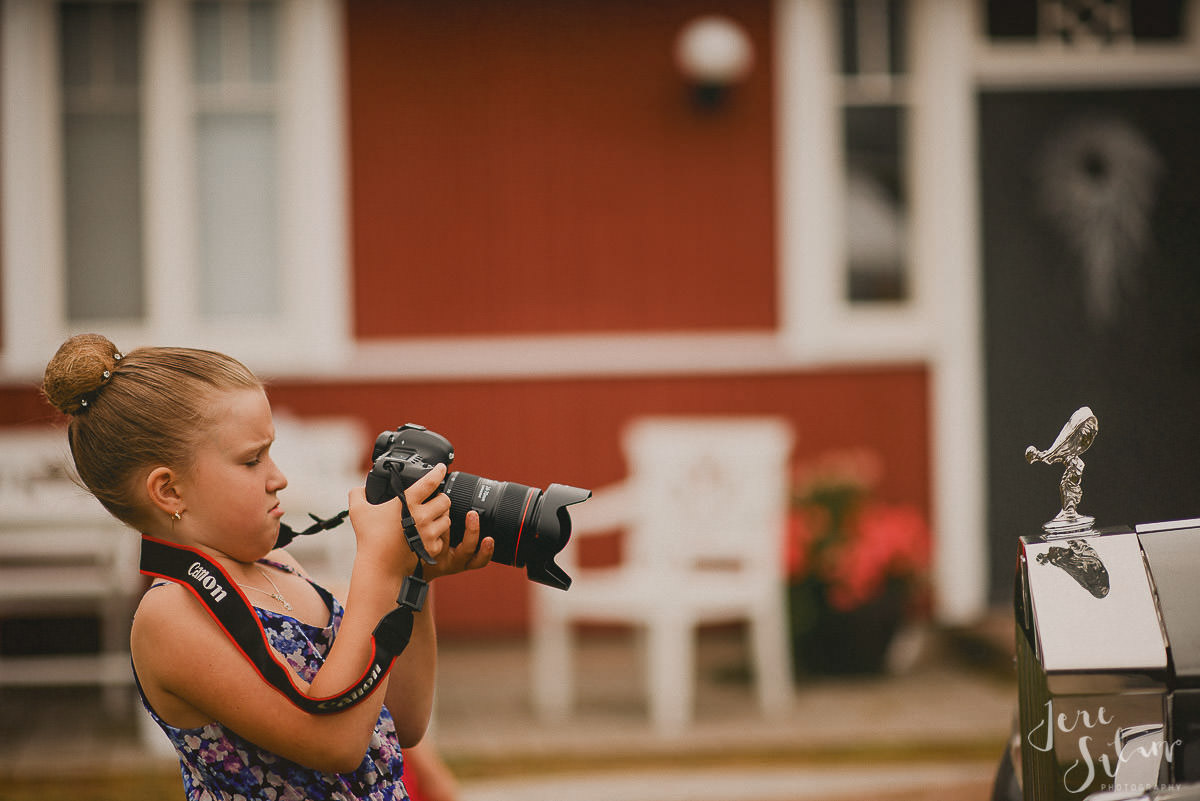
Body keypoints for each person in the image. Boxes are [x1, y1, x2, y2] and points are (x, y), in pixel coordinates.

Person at [41, 333, 492, 801]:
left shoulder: (279, 565)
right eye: (253, 459)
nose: (279, 477)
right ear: (169, 491)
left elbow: (401, 721)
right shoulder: (168, 616)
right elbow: (334, 743)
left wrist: (412, 578)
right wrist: (378, 566)